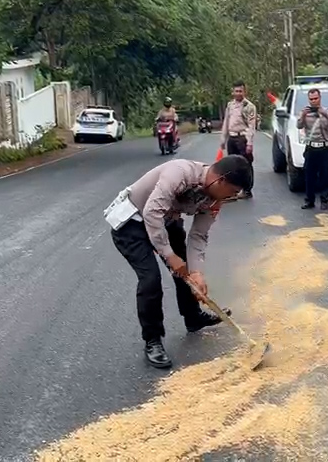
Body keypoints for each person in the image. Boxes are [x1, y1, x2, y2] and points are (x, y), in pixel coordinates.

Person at [106, 155, 253, 369]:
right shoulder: (180, 173)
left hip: (167, 221)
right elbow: (151, 213)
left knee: (185, 272)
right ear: (220, 180)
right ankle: (153, 340)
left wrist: (196, 273)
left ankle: (193, 318)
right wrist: (169, 254)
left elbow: (198, 236)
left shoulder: (214, 199)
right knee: (151, 280)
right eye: (231, 192)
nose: (230, 198)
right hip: (133, 223)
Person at [298, 88, 328, 210]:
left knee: (324, 175)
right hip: (311, 147)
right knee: (309, 176)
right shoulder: (305, 112)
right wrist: (303, 115)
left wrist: (324, 113)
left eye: (315, 98)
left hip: (324, 147)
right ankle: (309, 200)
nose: (313, 101)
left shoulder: (327, 111)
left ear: (320, 98)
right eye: (311, 99)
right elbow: (299, 125)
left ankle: (324, 200)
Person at [220, 81, 257, 199]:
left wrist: (249, 143)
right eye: (236, 91)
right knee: (232, 165)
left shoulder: (249, 106)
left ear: (244, 92)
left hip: (243, 138)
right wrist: (223, 138)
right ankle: (234, 190)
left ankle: (247, 190)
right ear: (232, 92)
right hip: (232, 137)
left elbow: (252, 125)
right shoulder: (230, 105)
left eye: (240, 91)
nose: (238, 93)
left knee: (245, 165)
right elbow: (226, 121)